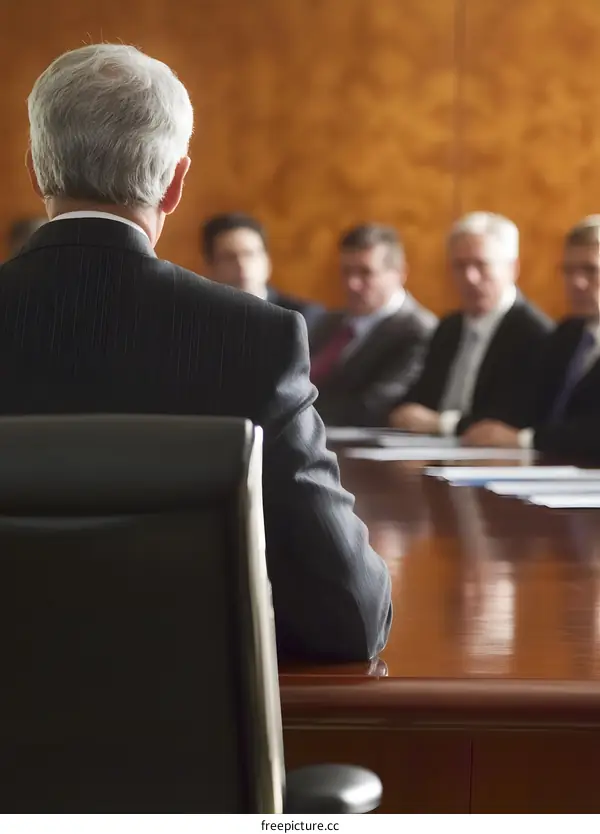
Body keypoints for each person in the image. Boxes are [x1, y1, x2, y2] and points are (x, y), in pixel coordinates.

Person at [0, 43, 391, 662]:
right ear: (176, 183)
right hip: (179, 719)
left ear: (34, 169)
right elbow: (348, 614)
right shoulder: (252, 339)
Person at [389, 212, 552, 435]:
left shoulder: (534, 333)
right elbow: (421, 398)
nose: (470, 277)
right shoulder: (449, 327)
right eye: (460, 266)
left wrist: (444, 424)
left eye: (481, 265)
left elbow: (510, 417)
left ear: (512, 268)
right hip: (428, 447)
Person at [463, 216, 600, 460]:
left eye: (591, 270)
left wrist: (524, 439)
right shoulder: (567, 334)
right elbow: (524, 405)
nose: (576, 282)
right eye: (568, 271)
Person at [308, 223, 437, 426]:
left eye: (365, 272)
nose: (352, 283)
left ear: (400, 273)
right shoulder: (328, 322)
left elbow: (374, 406)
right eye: (346, 272)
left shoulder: (419, 331)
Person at [201, 212, 323, 329]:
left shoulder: (304, 317)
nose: (242, 265)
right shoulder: (202, 318)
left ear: (267, 261)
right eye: (229, 257)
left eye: (250, 254)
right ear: (210, 266)